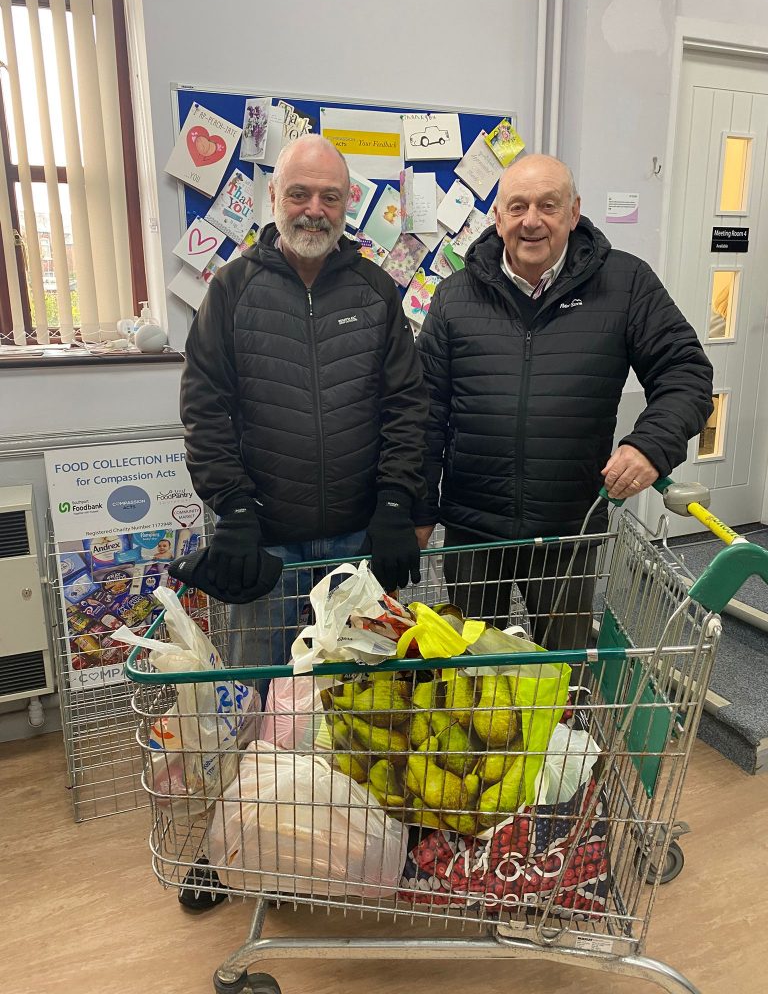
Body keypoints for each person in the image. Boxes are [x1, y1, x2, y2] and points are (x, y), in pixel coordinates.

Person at [173, 134, 427, 910]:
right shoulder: (232, 290)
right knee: (253, 700)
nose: (314, 209)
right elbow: (205, 408)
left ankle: (363, 844)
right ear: (272, 200)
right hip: (267, 545)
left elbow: (406, 408)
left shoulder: (377, 292)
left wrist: (396, 505)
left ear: (348, 205)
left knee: (359, 700)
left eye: (330, 196)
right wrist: (235, 511)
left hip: (357, 543)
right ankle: (230, 846)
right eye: (299, 194)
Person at [415, 154, 713, 648]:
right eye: (517, 207)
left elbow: (686, 371)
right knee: (473, 672)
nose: (531, 220)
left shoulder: (627, 284)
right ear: (498, 217)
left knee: (561, 671)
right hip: (474, 532)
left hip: (568, 531)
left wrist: (650, 445)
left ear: (574, 213)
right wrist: (420, 509)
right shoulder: (454, 296)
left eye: (548, 206)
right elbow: (426, 413)